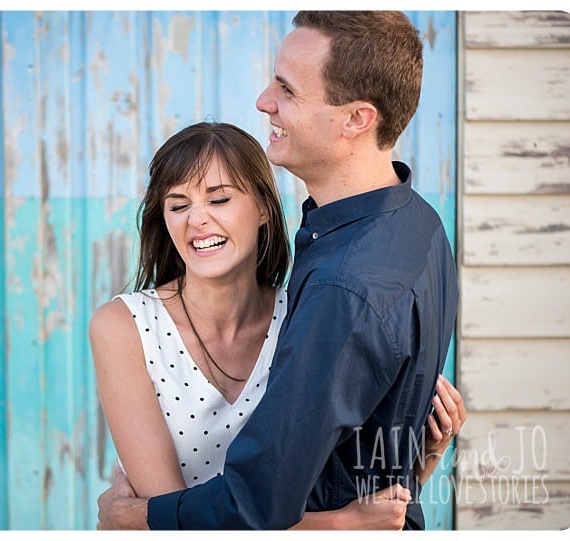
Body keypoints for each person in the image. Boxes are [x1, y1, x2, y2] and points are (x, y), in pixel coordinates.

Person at [96, 11, 460, 530]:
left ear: (356, 119)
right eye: (178, 204)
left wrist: (135, 518)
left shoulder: (343, 287)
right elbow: (365, 457)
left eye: (287, 90)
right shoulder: (418, 224)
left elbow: (255, 504)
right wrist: (415, 458)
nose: (264, 101)